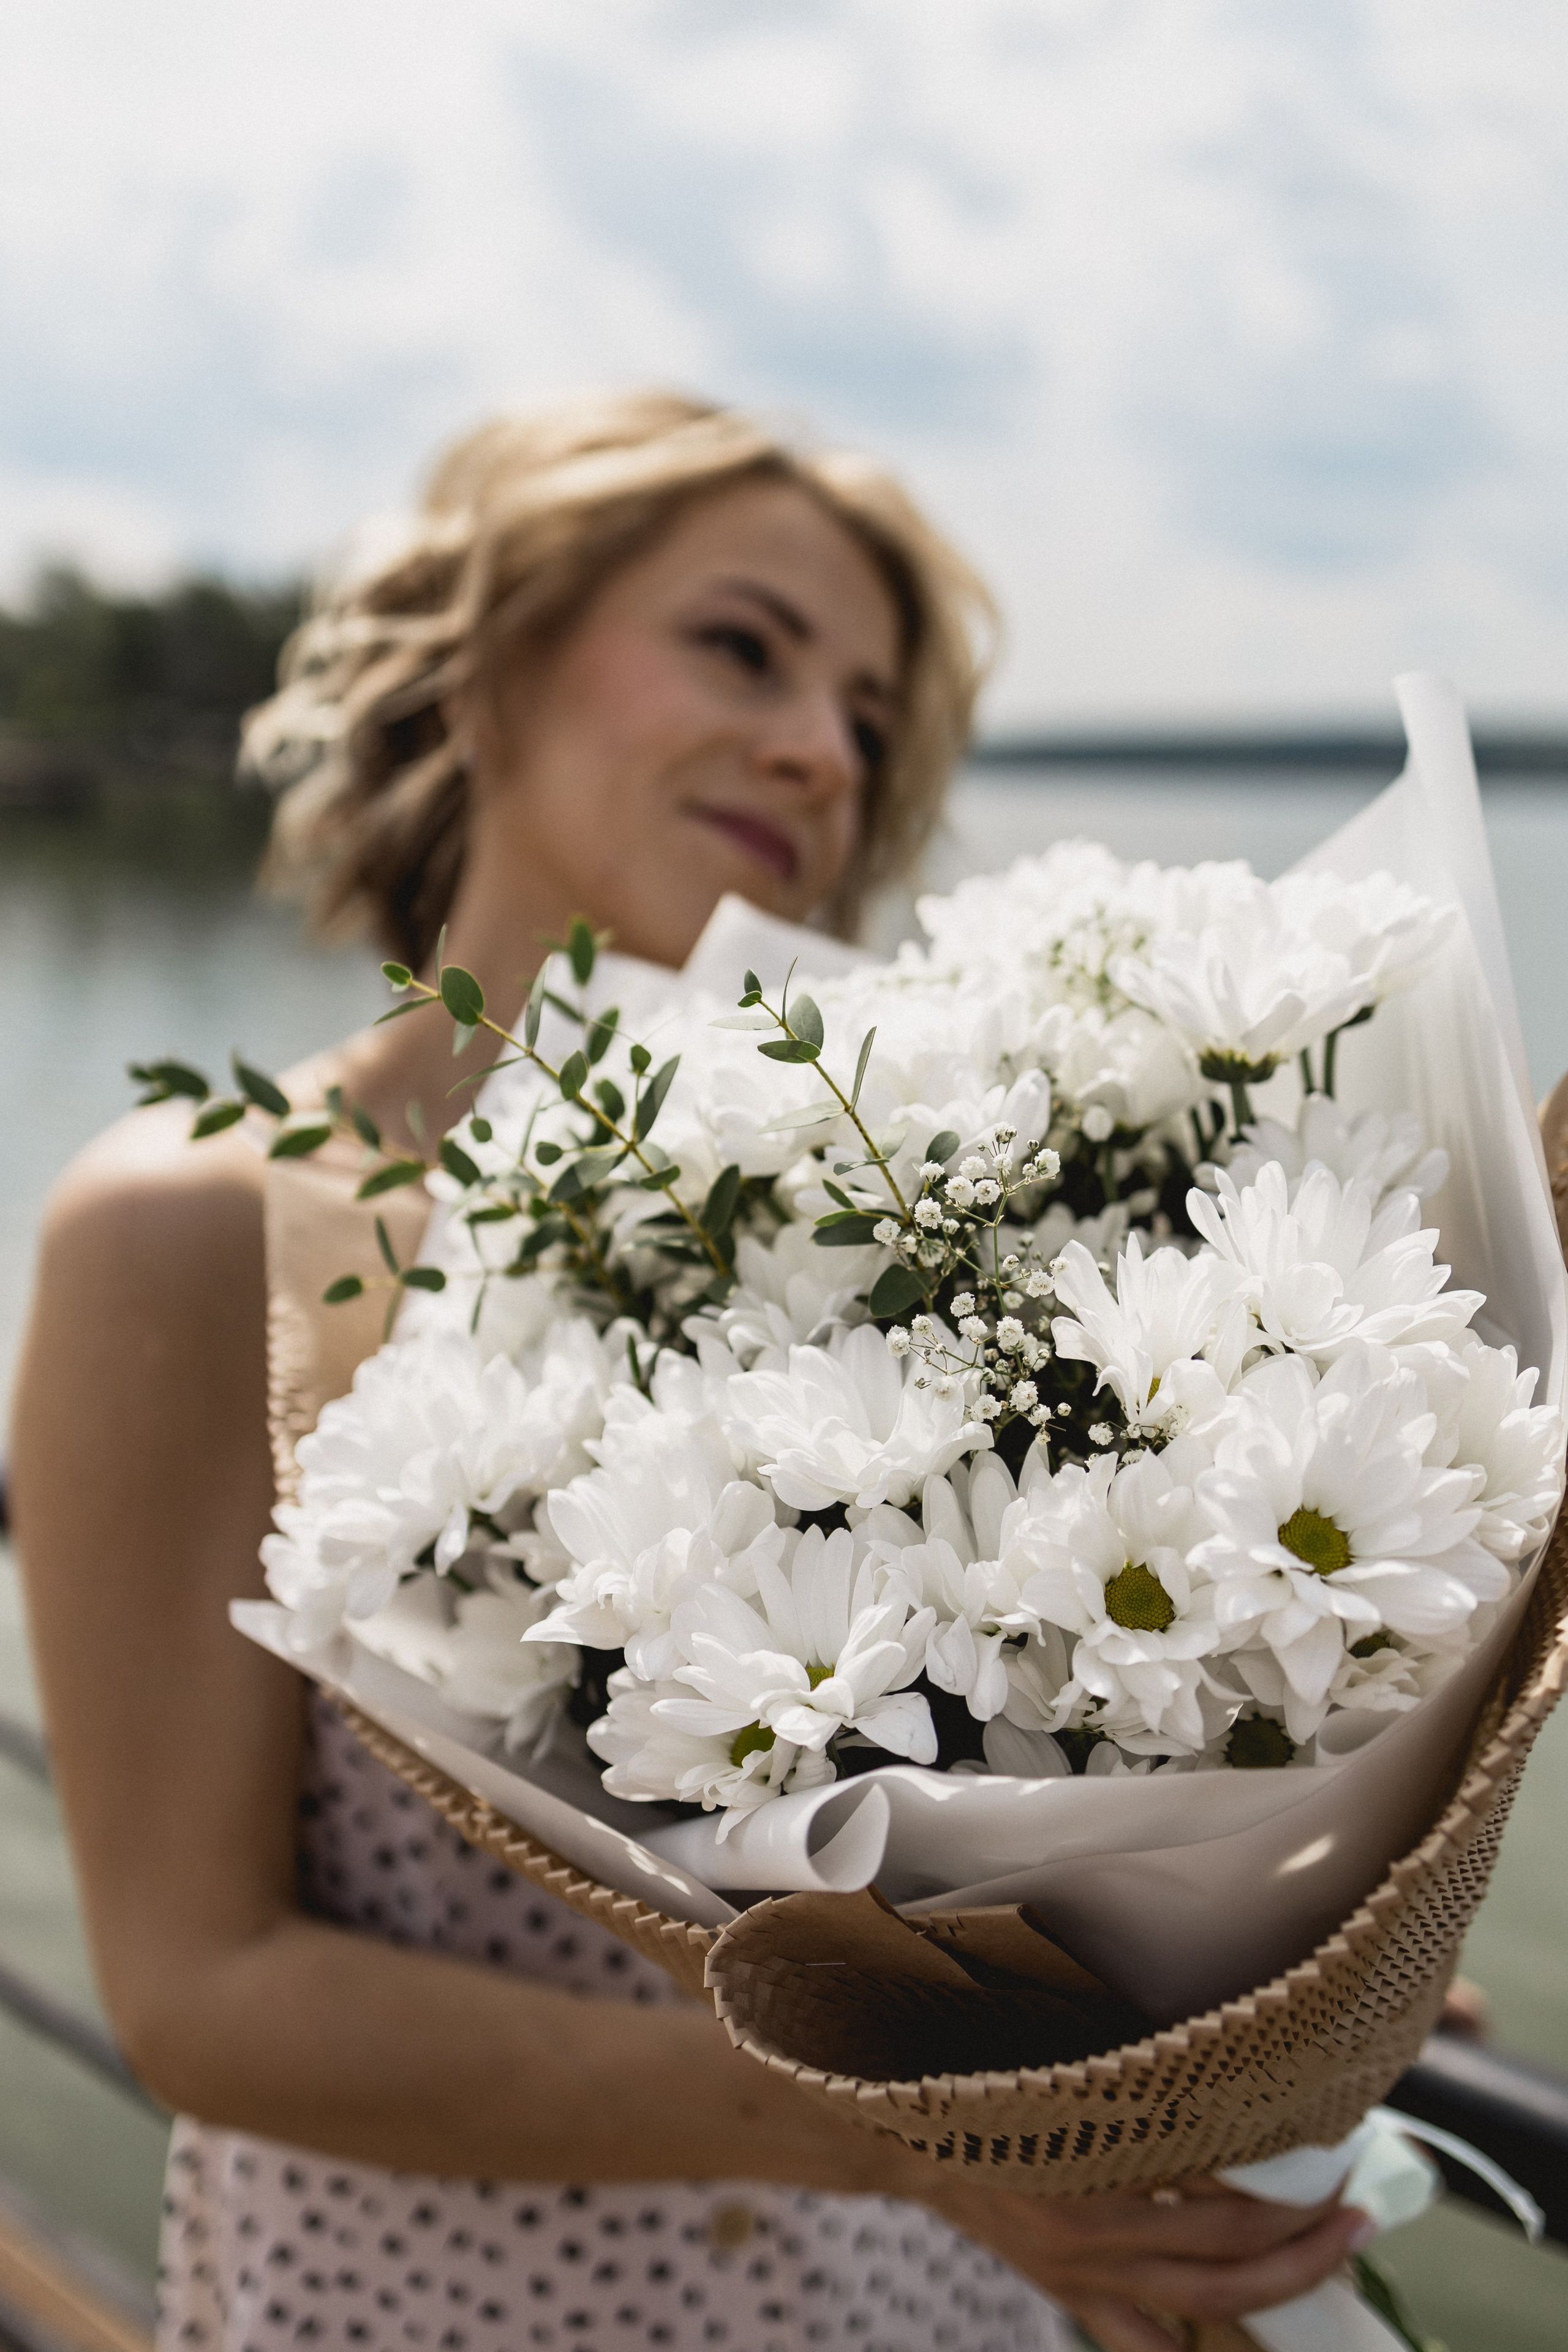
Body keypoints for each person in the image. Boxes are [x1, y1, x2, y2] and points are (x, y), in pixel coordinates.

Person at [10, 392, 1374, 2352]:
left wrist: (1242, 1964)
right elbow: (199, 1988)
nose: (821, 746)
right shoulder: (197, 1227)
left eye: (872, 718)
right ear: (488, 666)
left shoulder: (908, 1256)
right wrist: (916, 2142)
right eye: (743, 646)